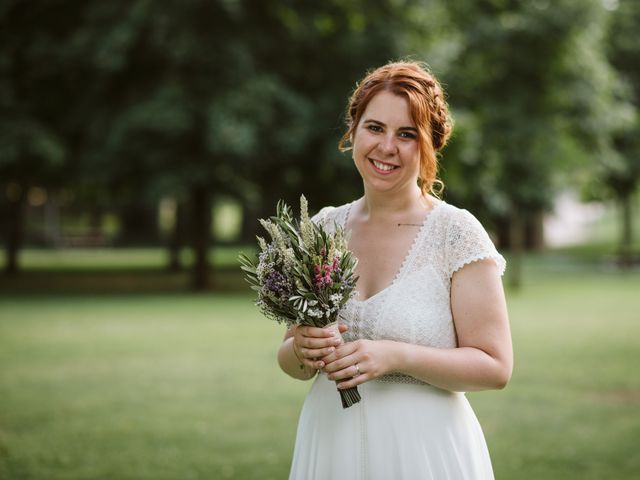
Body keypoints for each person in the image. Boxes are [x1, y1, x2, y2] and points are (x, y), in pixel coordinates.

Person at [277, 60, 513, 480]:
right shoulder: (322, 229)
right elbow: (292, 359)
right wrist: (301, 351)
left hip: (424, 452)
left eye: (407, 134)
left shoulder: (455, 233)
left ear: (430, 145)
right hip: (331, 444)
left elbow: (495, 367)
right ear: (353, 131)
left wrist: (396, 356)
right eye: (375, 128)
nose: (387, 147)